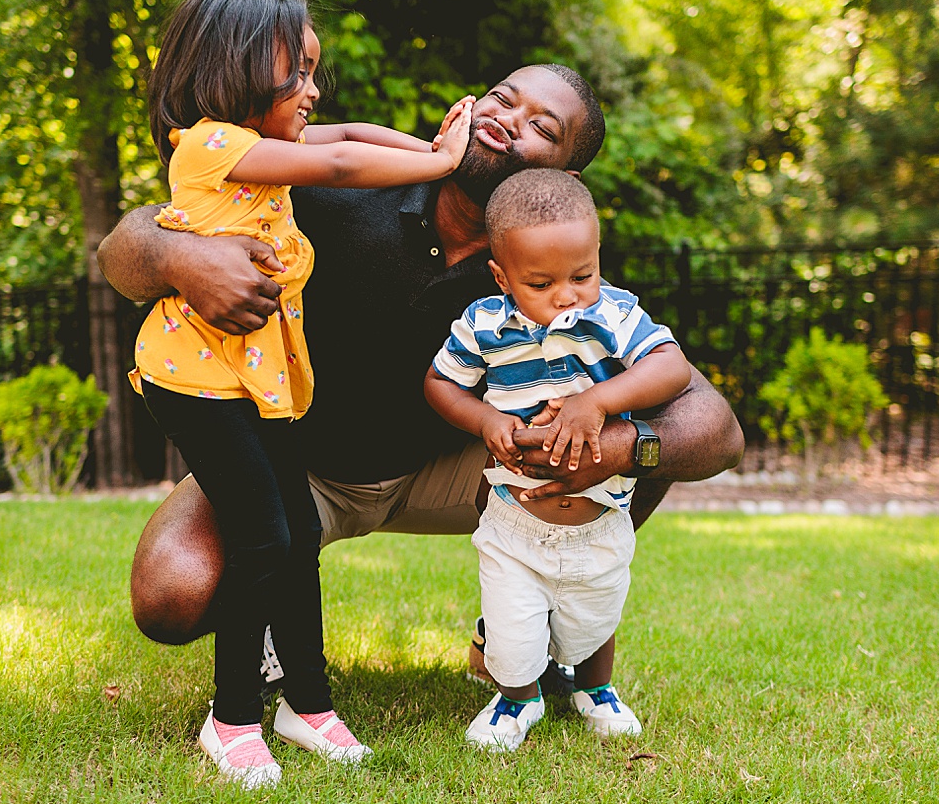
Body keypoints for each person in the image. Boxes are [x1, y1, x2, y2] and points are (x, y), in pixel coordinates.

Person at [97, 61, 744, 706]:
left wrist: (623, 447)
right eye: (502, 98)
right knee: (170, 591)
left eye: (539, 125)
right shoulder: (338, 190)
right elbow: (123, 248)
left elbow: (715, 427)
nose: (506, 119)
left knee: (637, 441)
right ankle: (266, 610)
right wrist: (179, 255)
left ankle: (524, 631)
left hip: (469, 470)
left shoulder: (561, 269)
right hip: (290, 465)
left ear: (561, 177)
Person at [131, 0, 474, 789]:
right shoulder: (211, 144)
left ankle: (307, 703)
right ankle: (233, 716)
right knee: (265, 538)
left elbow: (350, 131)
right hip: (200, 384)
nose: (315, 92)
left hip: (256, 378)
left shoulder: (265, 149)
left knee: (295, 531)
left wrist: (430, 153)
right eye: (300, 74)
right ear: (239, 67)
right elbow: (346, 157)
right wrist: (446, 160)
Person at [423, 169, 689, 751]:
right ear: (502, 276)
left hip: (601, 513)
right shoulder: (484, 325)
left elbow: (672, 367)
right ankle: (517, 697)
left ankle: (596, 688)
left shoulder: (614, 315)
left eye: (582, 275)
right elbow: (440, 383)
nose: (567, 295)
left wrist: (598, 400)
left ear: (598, 257)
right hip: (514, 519)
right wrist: (486, 420)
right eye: (541, 283)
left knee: (596, 614)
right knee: (513, 630)